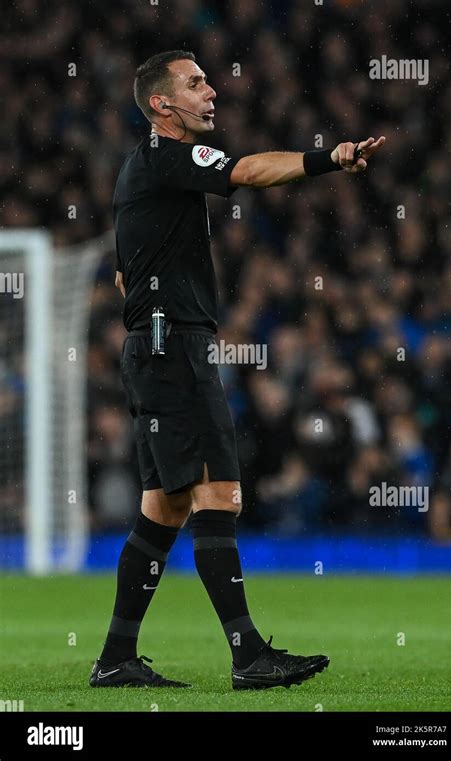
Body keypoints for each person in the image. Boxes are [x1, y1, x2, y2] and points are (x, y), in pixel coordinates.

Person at [89, 49, 385, 691]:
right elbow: (246, 170)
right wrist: (326, 159)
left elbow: (121, 273)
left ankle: (115, 656)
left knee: (165, 505)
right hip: (172, 349)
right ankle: (248, 655)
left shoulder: (144, 173)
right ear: (162, 106)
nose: (211, 91)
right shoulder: (168, 157)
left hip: (160, 344)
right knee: (217, 493)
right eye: (195, 85)